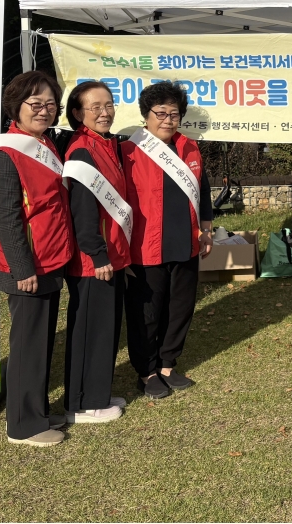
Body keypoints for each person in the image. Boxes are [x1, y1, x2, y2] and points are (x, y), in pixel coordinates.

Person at [0, 71, 73, 447]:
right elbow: (5, 217)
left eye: (50, 104)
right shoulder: (8, 154)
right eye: (35, 104)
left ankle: (35, 411)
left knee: (39, 344)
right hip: (28, 268)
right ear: (15, 108)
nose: (44, 110)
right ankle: (22, 425)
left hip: (52, 259)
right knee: (26, 346)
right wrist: (22, 269)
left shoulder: (45, 144)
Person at [122, 81, 214, 399]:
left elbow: (203, 189)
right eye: (160, 112)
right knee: (146, 312)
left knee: (180, 308)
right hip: (145, 246)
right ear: (146, 115)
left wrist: (207, 227)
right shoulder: (129, 150)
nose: (167, 119)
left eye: (174, 113)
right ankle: (146, 371)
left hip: (185, 240)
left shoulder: (189, 147)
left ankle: (167, 365)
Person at [62, 81, 131, 424]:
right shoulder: (82, 150)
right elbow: (83, 210)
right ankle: (84, 403)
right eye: (95, 107)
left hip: (109, 254)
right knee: (91, 331)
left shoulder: (104, 144)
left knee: (103, 329)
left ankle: (95, 393)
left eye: (109, 105)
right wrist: (97, 254)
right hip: (94, 260)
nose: (105, 113)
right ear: (77, 113)